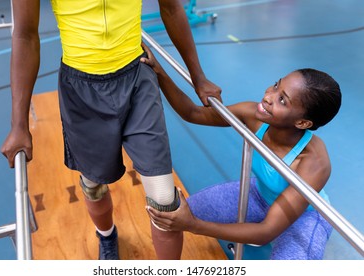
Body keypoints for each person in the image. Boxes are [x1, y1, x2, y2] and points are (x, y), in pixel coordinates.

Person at [0, 0, 222, 260]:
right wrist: (18, 124)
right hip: (81, 90)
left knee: (165, 201)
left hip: (137, 76)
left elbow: (171, 8)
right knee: (93, 185)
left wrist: (199, 78)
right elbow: (25, 35)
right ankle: (106, 235)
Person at [141, 44, 342, 260]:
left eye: (282, 100)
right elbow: (193, 113)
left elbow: (266, 232)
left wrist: (194, 225)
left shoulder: (314, 161)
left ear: (302, 122)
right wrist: (159, 71)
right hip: (260, 194)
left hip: (306, 218)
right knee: (173, 216)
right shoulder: (254, 115)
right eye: (276, 85)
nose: (268, 96)